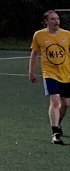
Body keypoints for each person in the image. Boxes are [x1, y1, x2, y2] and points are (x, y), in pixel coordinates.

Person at [28, 9, 70, 145]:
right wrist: (31, 71)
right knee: (55, 101)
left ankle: (58, 123)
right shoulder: (39, 35)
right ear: (46, 22)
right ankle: (55, 133)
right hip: (49, 73)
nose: (56, 21)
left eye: (57, 19)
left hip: (66, 73)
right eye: (52, 19)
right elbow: (35, 53)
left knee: (65, 104)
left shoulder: (67, 34)